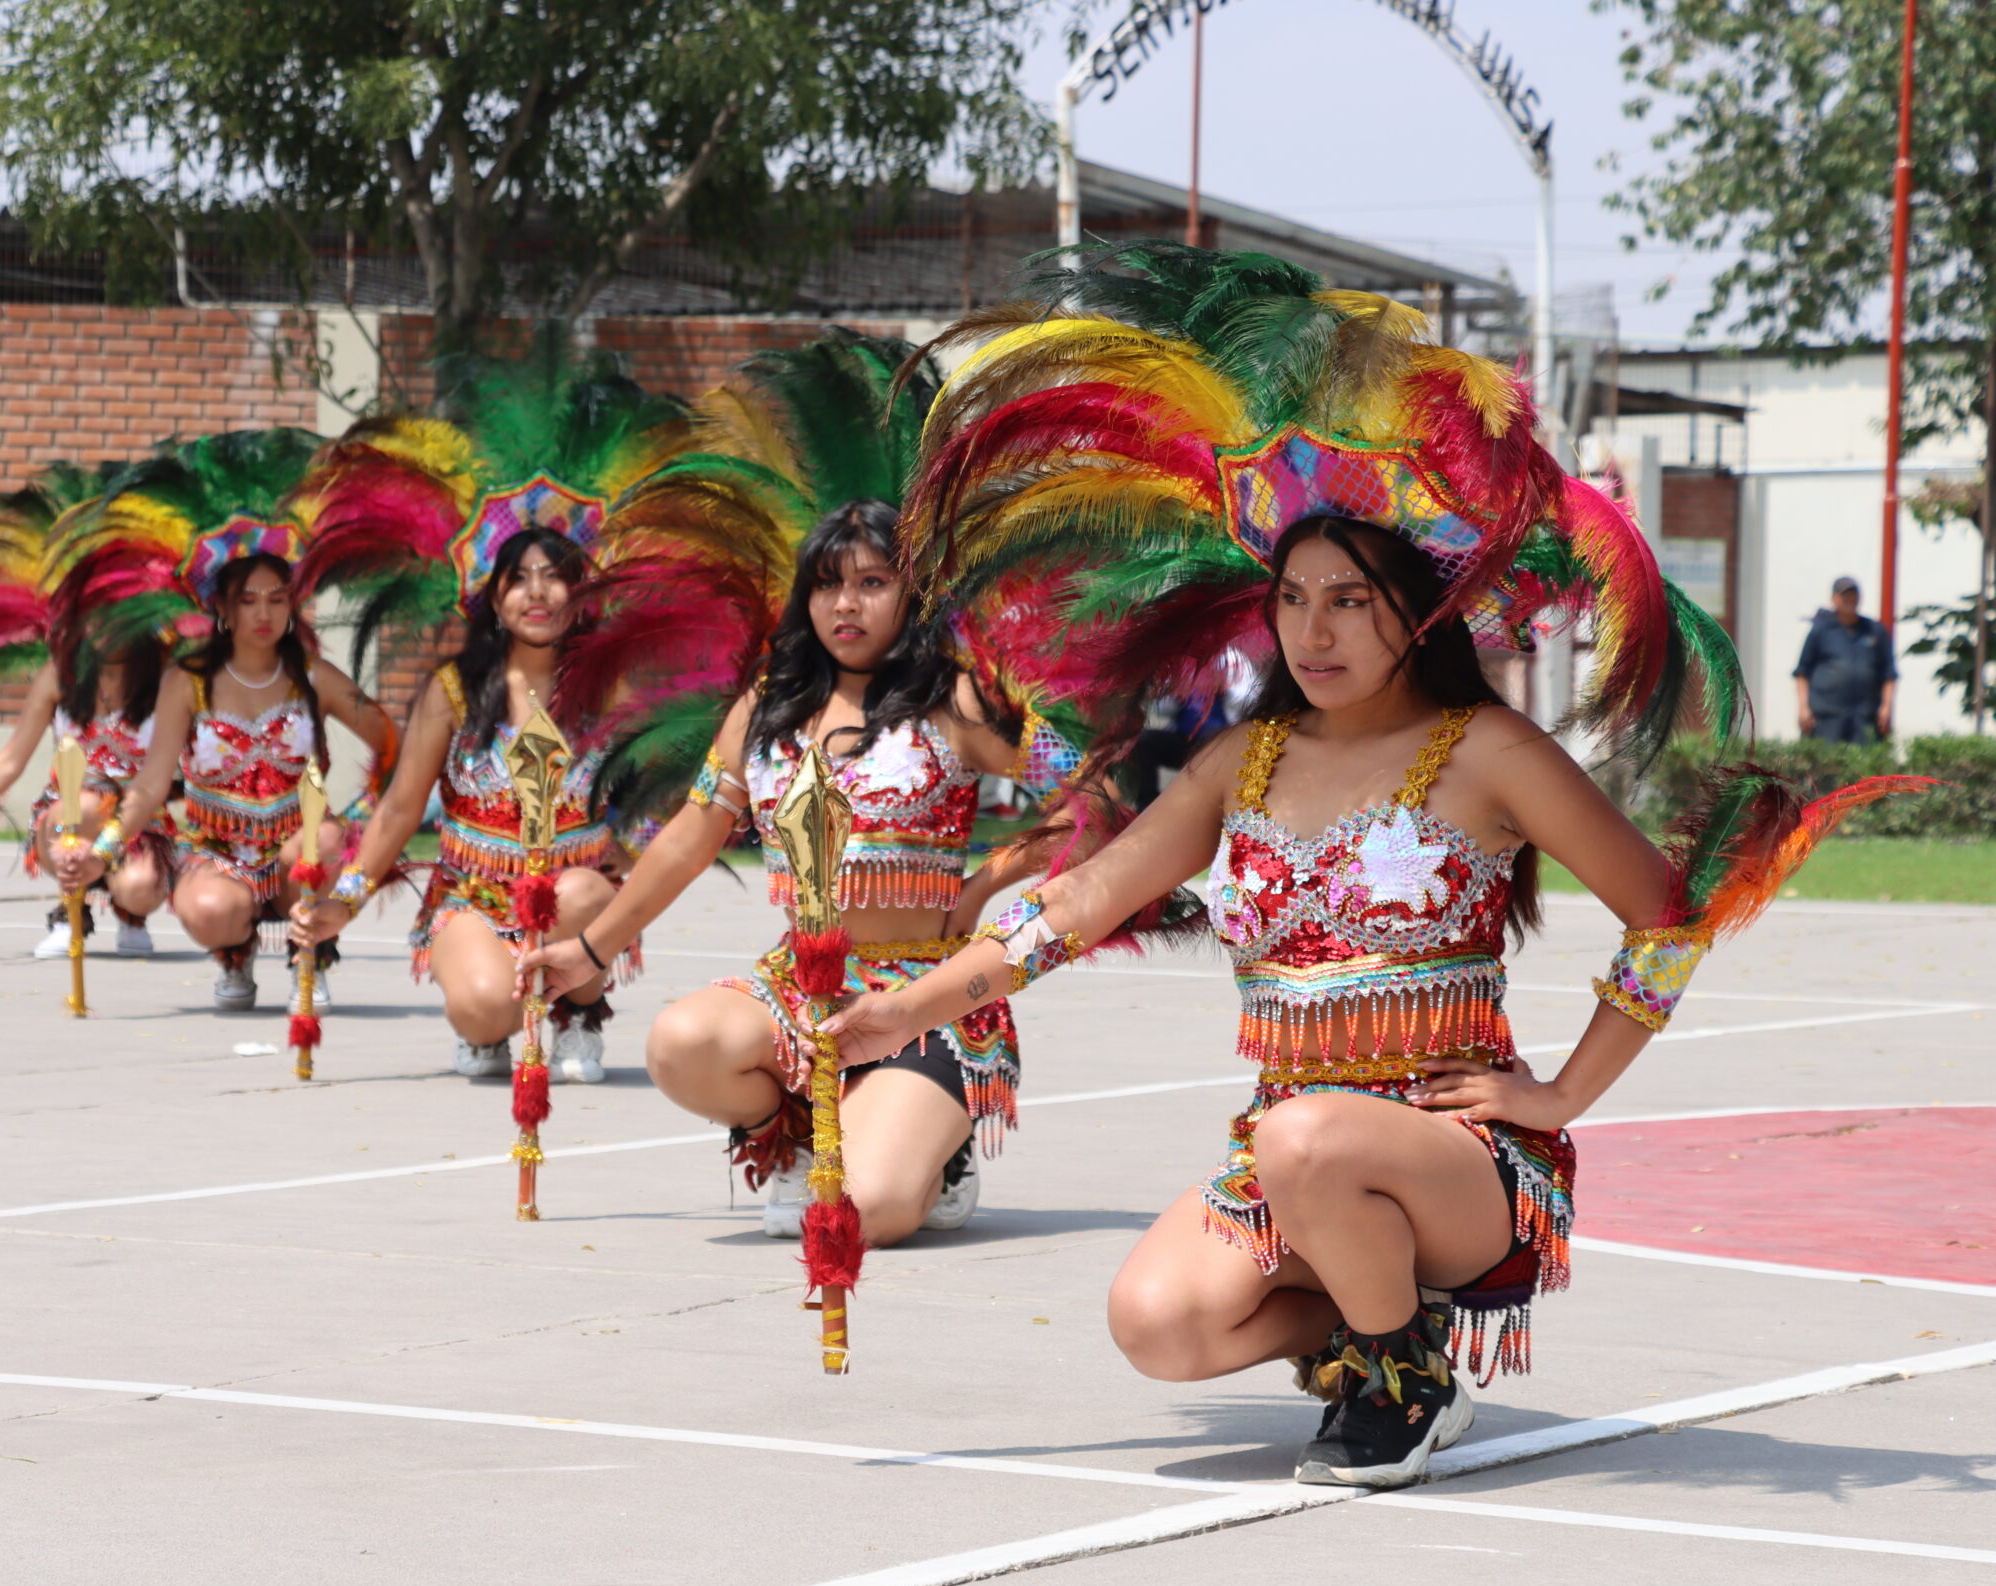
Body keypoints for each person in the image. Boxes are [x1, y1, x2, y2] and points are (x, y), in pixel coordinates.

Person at [829, 240, 1925, 1486]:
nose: (1314, 630)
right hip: (1289, 1150)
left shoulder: (1489, 751)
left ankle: (1404, 1379)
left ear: (1419, 609)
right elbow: (1076, 903)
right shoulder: (1237, 762)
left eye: (1349, 599)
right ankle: (1366, 1329)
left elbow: (1668, 916)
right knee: (1158, 1324)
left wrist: (1560, 1097)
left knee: (1304, 1141)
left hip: (1460, 1163)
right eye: (1294, 599)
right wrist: (906, 1012)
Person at [524, 498, 1080, 1242]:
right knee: (680, 1042)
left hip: (926, 1002)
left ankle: (940, 1153)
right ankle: (795, 1139)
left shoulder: (958, 700)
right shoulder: (765, 707)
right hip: (800, 992)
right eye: (826, 584)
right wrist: (590, 952)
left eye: (872, 582)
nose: (845, 603)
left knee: (862, 1213)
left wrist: (983, 884)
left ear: (912, 593)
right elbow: (690, 839)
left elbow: (1093, 801)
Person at [291, 529, 629, 1082]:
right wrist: (345, 903)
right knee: (482, 1010)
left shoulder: (609, 689)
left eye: (554, 578)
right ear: (495, 598)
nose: (536, 593)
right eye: (519, 579)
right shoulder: (453, 690)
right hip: (475, 896)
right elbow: (400, 809)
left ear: (579, 596)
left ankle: (578, 1014)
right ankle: (491, 1025)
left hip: (573, 895)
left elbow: (657, 793)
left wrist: (632, 849)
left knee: (585, 893)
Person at [90, 551, 396, 1010]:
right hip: (218, 848)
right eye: (248, 600)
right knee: (210, 910)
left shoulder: (314, 676)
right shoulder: (188, 681)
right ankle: (235, 953)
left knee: (326, 842)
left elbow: (396, 746)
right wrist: (101, 851)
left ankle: (308, 954)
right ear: (224, 610)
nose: (263, 613)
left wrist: (365, 816)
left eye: (276, 599)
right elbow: (152, 783)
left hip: (300, 842)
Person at [0, 646, 169, 957]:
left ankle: (130, 913)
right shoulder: (59, 676)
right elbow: (10, 762)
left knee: (141, 888)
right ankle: (71, 909)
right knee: (84, 808)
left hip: (138, 820)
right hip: (67, 818)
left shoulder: (165, 678)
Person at [1793, 575, 1898, 742]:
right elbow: (1802, 673)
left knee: (1866, 759)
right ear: (1834, 599)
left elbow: (1889, 674)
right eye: (1844, 595)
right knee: (1826, 759)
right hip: (1827, 718)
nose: (1850, 600)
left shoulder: (1875, 630)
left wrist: (1886, 707)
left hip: (1865, 718)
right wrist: (1803, 708)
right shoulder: (1820, 631)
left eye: (1853, 595)